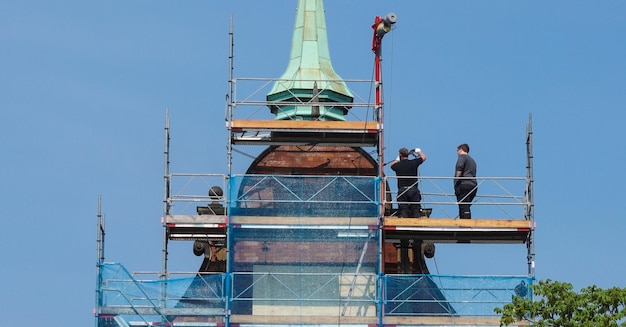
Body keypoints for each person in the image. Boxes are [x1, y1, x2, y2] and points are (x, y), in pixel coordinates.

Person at [390, 147, 427, 218]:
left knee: (403, 210)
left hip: (402, 190)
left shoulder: (398, 165)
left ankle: (403, 223)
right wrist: (418, 151)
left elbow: (392, 165)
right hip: (413, 190)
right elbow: (423, 157)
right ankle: (417, 223)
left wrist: (397, 159)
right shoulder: (413, 163)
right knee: (416, 209)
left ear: (400, 155)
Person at [454, 143, 477, 219]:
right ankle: (466, 219)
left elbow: (459, 167)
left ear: (461, 149)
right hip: (473, 185)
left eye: (457, 150)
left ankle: (465, 222)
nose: (457, 152)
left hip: (464, 184)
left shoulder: (462, 157)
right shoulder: (472, 161)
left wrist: (456, 179)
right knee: (466, 205)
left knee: (463, 205)